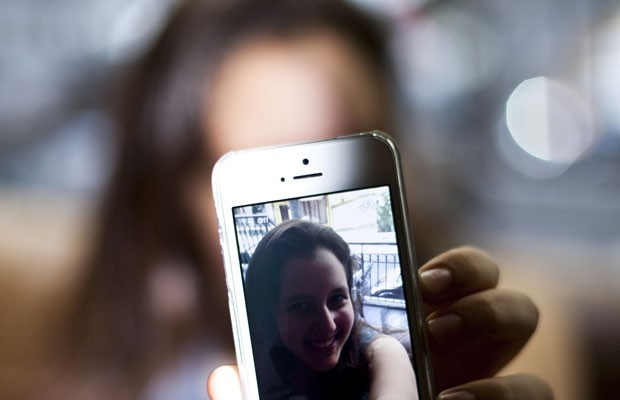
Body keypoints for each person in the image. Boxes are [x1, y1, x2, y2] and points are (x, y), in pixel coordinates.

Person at [51, 0, 552, 399]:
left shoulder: (425, 356)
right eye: (257, 163)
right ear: (169, 190)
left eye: (343, 151)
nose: (327, 322)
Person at [244, 219, 417, 400]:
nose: (328, 325)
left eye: (336, 298)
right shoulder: (250, 365)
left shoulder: (380, 352)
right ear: (268, 313)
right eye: (302, 306)